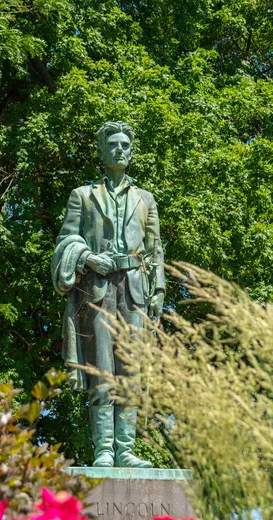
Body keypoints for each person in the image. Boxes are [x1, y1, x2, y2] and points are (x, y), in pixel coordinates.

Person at [51, 121, 165, 468]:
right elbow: (65, 241)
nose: (119, 149)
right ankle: (103, 448)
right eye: (112, 144)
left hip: (134, 291)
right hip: (97, 290)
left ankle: (126, 451)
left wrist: (158, 289)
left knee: (130, 371)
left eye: (125, 145)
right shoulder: (82, 195)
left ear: (132, 152)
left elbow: (154, 248)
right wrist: (86, 258)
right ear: (101, 151)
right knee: (101, 370)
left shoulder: (146, 199)